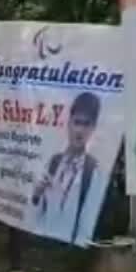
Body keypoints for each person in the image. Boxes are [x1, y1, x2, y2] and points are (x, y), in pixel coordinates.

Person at [32, 91, 104, 244]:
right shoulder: (54, 162)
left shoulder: (93, 172)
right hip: (45, 246)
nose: (80, 131)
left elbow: (86, 225)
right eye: (77, 122)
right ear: (69, 123)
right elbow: (37, 216)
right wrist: (37, 194)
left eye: (86, 124)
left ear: (93, 128)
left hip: (69, 251)